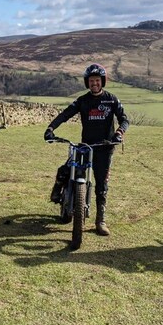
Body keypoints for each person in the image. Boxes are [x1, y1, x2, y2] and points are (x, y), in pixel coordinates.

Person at [44, 63, 129, 236]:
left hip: (105, 147)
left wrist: (119, 133)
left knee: (102, 186)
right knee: (65, 169)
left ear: (102, 81)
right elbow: (65, 114)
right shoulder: (82, 101)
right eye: (91, 81)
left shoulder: (111, 99)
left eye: (97, 80)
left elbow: (124, 119)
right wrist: (51, 128)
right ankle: (59, 190)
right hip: (85, 145)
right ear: (87, 82)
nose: (94, 84)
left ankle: (100, 220)